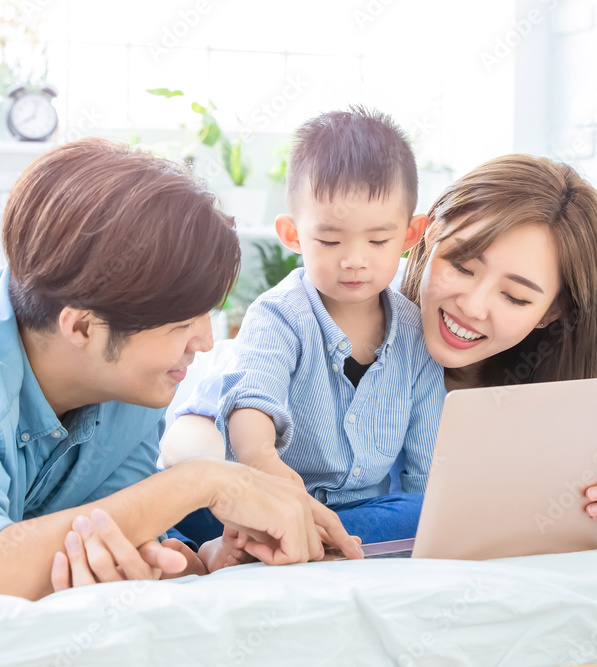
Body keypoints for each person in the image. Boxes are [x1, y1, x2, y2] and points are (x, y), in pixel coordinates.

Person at [0, 138, 362, 602]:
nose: (203, 342)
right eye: (180, 324)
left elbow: (123, 527)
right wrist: (203, 481)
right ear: (80, 328)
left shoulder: (132, 385)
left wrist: (210, 557)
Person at [163, 152, 597, 566]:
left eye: (516, 298)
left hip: (362, 515)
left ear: (552, 312)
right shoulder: (351, 298)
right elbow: (199, 433)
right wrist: (252, 480)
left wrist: (594, 521)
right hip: (226, 486)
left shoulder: (535, 389)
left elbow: (454, 502)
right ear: (424, 235)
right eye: (462, 265)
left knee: (435, 513)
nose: (472, 305)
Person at [176, 108, 445, 569]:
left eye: (378, 241)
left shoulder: (417, 333)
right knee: (190, 507)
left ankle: (305, 544)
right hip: (255, 499)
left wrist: (435, 517)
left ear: (410, 235)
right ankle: (259, 543)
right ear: (293, 235)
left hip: (359, 510)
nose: (354, 260)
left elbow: (425, 465)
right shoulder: (279, 315)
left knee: (428, 512)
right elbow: (251, 403)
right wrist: (265, 464)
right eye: (330, 241)